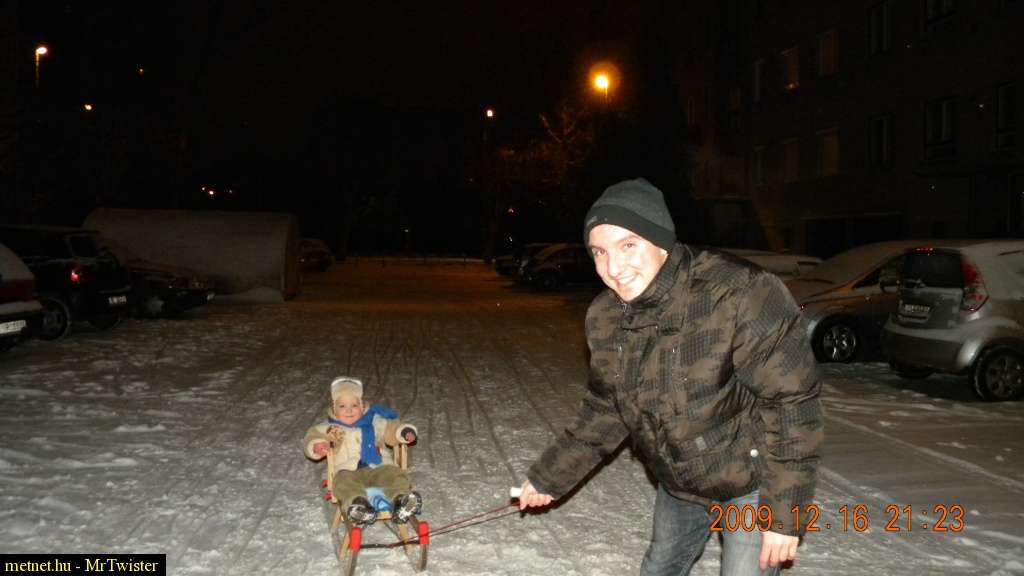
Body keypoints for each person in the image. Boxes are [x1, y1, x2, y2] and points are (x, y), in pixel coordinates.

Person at [516, 179, 823, 576]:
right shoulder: (606, 317)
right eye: (600, 252)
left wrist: (784, 514)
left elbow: (791, 401)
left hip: (750, 482)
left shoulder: (738, 293)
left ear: (661, 241)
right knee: (658, 570)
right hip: (680, 480)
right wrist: (549, 477)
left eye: (628, 245)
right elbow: (606, 408)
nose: (613, 268)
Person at [303, 376, 422, 525]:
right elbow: (313, 435)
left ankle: (401, 501)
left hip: (379, 466)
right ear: (334, 409)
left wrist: (405, 431)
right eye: (342, 406)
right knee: (344, 483)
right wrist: (317, 445)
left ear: (362, 406)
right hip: (348, 470)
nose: (349, 410)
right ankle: (358, 506)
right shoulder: (330, 428)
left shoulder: (375, 421)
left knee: (394, 475)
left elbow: (392, 428)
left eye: (354, 405)